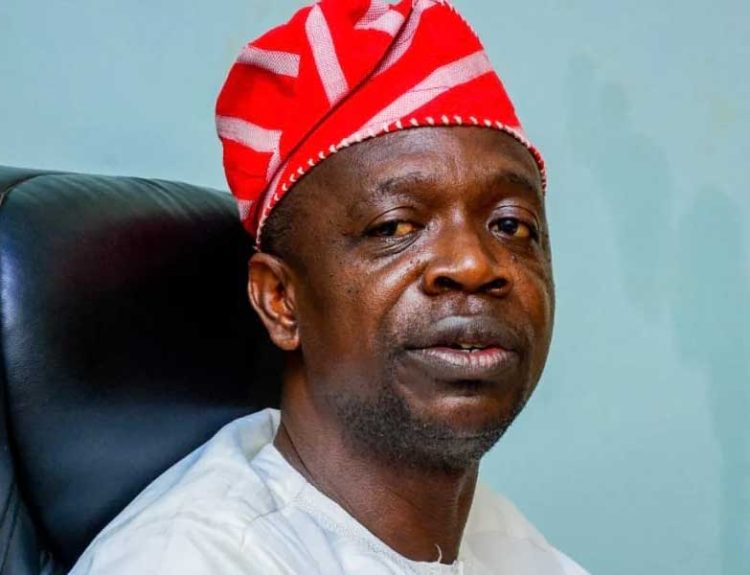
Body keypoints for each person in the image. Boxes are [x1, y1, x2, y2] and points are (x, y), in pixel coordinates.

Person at [71, 1, 589, 573]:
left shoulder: (518, 552)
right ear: (281, 300)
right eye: (395, 227)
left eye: (511, 226)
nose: (474, 263)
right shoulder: (188, 558)